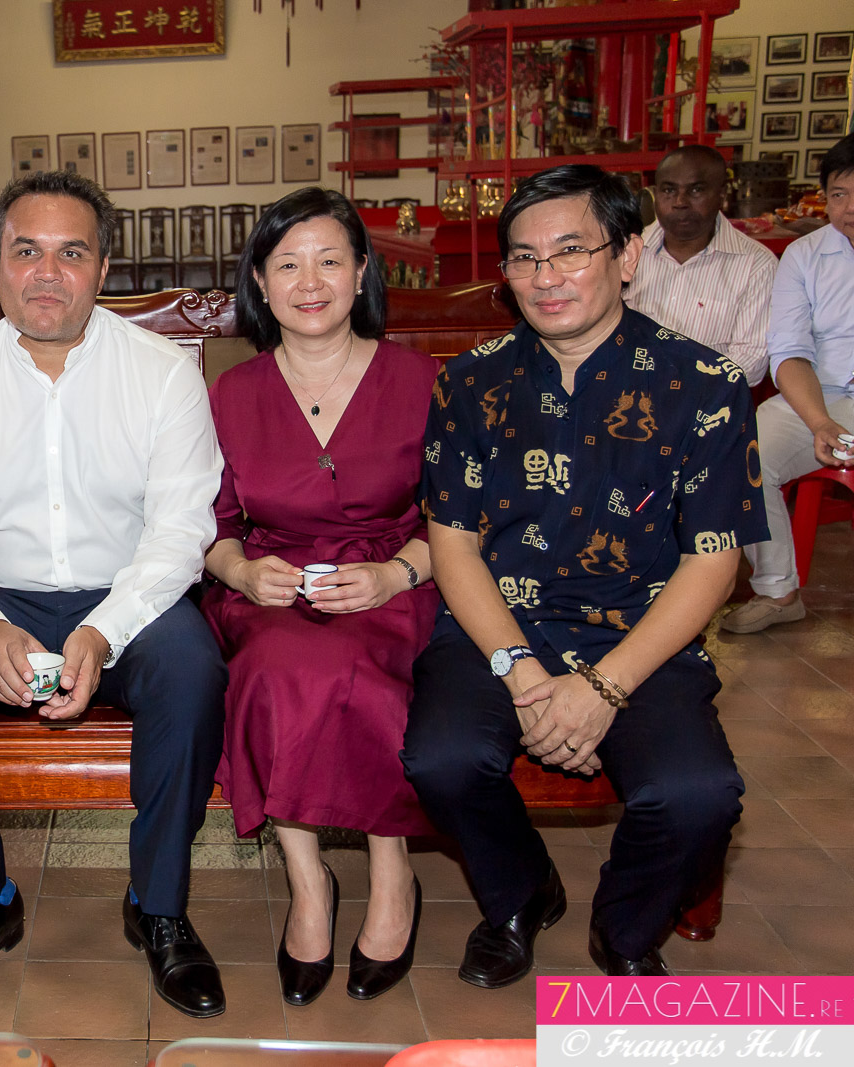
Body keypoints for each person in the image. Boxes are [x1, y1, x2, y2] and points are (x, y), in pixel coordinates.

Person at [0, 171, 229, 1021]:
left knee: (193, 671)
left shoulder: (161, 373)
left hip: (132, 597)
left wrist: (104, 631)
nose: (46, 272)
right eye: (26, 250)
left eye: (71, 253)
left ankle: (160, 905)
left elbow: (182, 531)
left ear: (103, 268)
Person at [401, 164, 765, 985]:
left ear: (628, 255)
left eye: (570, 251)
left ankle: (627, 925)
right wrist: (523, 674)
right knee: (442, 758)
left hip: (643, 630)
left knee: (699, 791)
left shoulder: (704, 384)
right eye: (524, 258)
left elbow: (715, 556)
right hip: (500, 626)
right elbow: (452, 541)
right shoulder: (470, 380)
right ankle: (522, 893)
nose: (545, 277)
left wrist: (604, 687)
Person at [202, 187, 436, 1005]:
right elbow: (215, 525)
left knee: (363, 669)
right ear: (260, 284)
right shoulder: (232, 393)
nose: (311, 281)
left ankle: (389, 867)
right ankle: (307, 881)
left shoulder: (421, 380)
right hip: (271, 583)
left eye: (330, 260)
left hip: (394, 581)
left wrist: (392, 575)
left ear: (362, 271)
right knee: (271, 669)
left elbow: (462, 521)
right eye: (288, 264)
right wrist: (237, 573)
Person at [721, 134, 854, 634]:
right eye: (839, 194)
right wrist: (819, 423)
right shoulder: (804, 256)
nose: (849, 208)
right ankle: (778, 591)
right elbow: (789, 351)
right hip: (826, 397)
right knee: (746, 447)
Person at [626, 145, 776, 386]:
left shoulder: (756, 265)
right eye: (668, 190)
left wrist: (680, 385)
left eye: (696, 190)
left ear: (723, 194)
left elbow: (751, 361)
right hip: (627, 388)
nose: (680, 202)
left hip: (706, 399)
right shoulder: (626, 252)